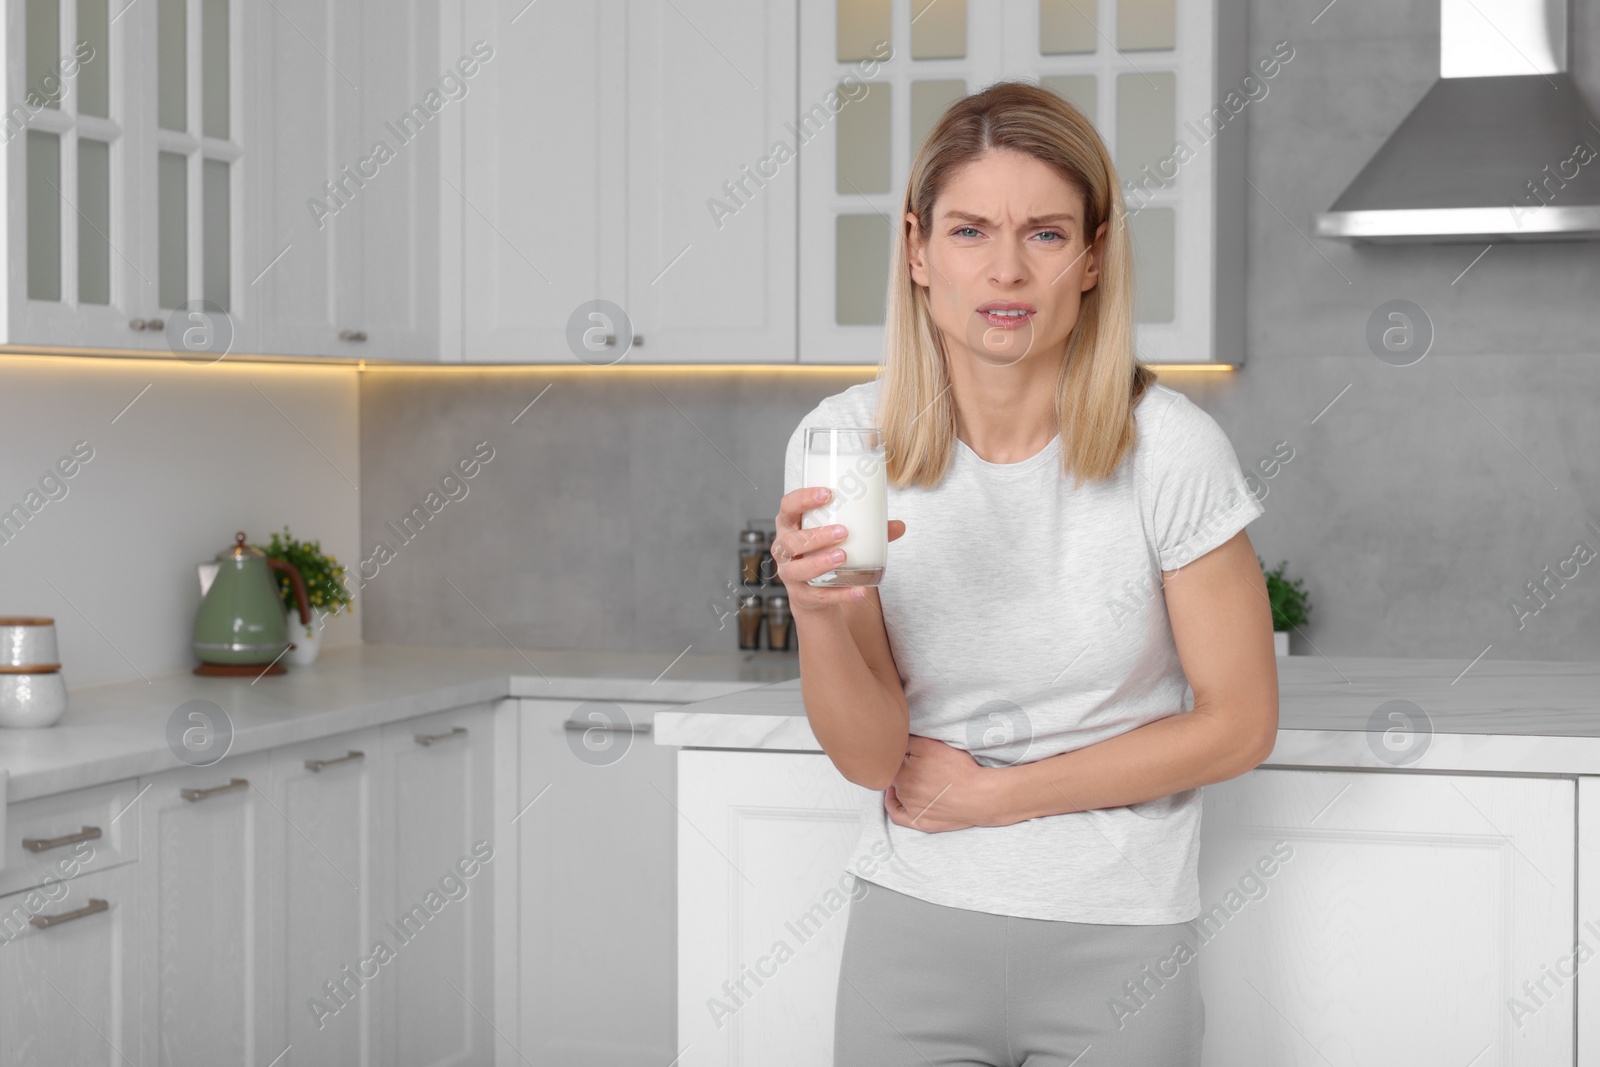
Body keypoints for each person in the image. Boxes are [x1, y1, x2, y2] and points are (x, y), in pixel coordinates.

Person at [773, 80, 1279, 1066]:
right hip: (911, 930)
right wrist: (820, 616)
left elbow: (1238, 722)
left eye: (1045, 234)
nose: (1006, 268)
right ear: (917, 249)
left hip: (1119, 938)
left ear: (1092, 257)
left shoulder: (1169, 448)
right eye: (969, 231)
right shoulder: (844, 442)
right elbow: (874, 759)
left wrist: (997, 795)